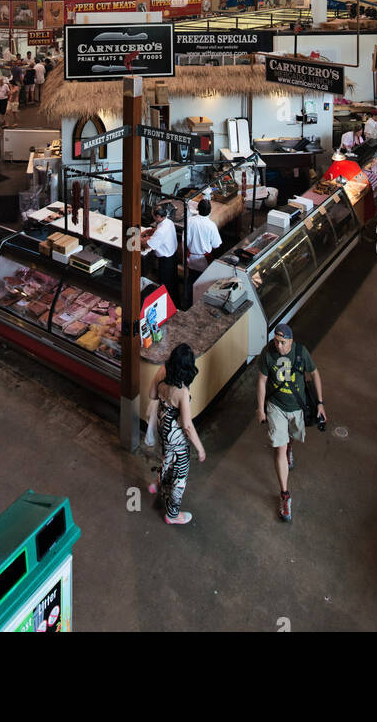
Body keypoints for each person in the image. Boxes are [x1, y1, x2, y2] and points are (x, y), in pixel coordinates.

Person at [256, 322, 325, 523]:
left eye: (283, 342)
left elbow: (315, 373)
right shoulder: (267, 353)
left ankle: (289, 450)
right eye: (276, 342)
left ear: (291, 341)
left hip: (297, 407)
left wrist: (320, 403)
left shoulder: (301, 353)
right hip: (276, 406)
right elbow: (261, 381)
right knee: (280, 447)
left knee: (291, 439)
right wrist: (260, 408)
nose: (279, 346)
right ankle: (285, 494)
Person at [146, 344, 205, 526]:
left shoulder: (162, 370)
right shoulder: (182, 391)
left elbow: (152, 394)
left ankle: (158, 483)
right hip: (175, 433)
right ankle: (172, 514)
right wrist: (200, 449)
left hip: (163, 424)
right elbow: (187, 425)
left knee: (167, 457)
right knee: (180, 472)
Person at [142, 203, 180, 304]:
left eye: (153, 216)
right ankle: (175, 301)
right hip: (173, 256)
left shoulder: (161, 232)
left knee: (166, 284)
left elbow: (147, 245)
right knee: (173, 282)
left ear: (158, 216)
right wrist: (149, 231)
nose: (152, 217)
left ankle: (168, 305)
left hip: (166, 260)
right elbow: (157, 230)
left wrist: (140, 238)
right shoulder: (168, 222)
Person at [186, 198, 222, 278]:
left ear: (198, 209)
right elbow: (216, 245)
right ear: (210, 211)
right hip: (205, 260)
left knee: (192, 279)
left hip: (191, 258)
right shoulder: (211, 225)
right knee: (203, 281)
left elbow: (184, 241)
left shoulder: (189, 221)